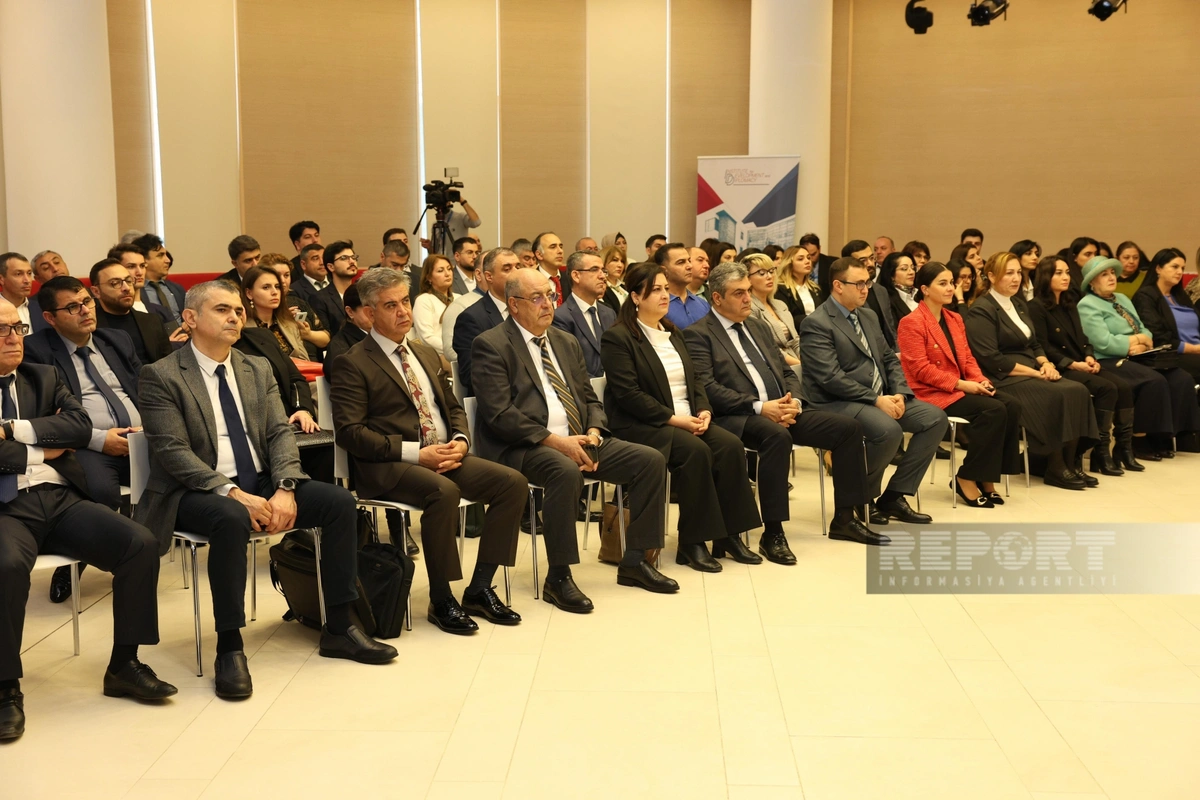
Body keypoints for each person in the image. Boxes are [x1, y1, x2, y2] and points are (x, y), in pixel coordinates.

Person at [135, 281, 397, 698]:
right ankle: (230, 646)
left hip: (259, 481)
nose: (235, 317)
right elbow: (172, 452)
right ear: (190, 318)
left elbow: (279, 433)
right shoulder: (162, 375)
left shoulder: (255, 367)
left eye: (238, 310)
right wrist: (231, 492)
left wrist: (286, 487)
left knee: (338, 502)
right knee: (230, 517)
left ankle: (340, 626)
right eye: (222, 310)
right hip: (193, 491)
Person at [0, 299, 175, 742]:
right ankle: (4, 689)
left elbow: (79, 427)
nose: (13, 338)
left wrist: (12, 430)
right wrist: (43, 447)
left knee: (139, 543)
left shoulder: (42, 375)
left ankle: (124, 665)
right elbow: (62, 436)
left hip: (60, 498)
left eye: (17, 328)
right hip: (5, 506)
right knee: (5, 567)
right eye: (1, 329)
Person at [331, 269, 526, 633]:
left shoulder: (423, 352)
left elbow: (451, 407)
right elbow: (350, 433)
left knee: (512, 483)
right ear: (370, 314)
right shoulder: (353, 361)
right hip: (390, 465)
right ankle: (442, 598)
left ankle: (480, 587)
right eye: (391, 305)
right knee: (444, 491)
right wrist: (416, 454)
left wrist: (461, 441)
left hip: (442, 455)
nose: (403, 311)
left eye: (405, 301)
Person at [472, 267, 673, 602]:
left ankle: (636, 561)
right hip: (524, 446)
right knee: (564, 472)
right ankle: (559, 576)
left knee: (649, 460)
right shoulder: (491, 344)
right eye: (536, 298)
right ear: (514, 304)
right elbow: (500, 414)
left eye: (550, 295)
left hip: (578, 439)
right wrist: (556, 442)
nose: (547, 304)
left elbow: (589, 398)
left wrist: (593, 430)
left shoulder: (564, 341)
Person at [685, 262, 877, 553]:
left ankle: (845, 519)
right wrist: (762, 408)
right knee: (777, 437)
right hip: (739, 416)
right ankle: (773, 532)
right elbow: (709, 388)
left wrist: (794, 403)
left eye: (748, 291)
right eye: (739, 293)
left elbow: (787, 372)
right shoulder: (699, 334)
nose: (748, 298)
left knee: (848, 429)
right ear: (717, 298)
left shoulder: (758, 326)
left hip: (783, 409)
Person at [799, 257, 946, 524]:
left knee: (935, 419)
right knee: (888, 431)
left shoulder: (867, 315)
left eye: (867, 282)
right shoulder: (817, 322)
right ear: (838, 285)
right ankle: (861, 497)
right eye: (858, 284)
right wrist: (877, 400)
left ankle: (894, 496)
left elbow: (889, 358)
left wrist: (899, 392)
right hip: (836, 401)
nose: (865, 289)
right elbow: (830, 377)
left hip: (880, 396)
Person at [964, 252, 1099, 490]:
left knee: (1077, 390)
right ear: (992, 276)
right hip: (1003, 376)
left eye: (1018, 273)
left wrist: (1045, 364)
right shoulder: (982, 309)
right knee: (1057, 394)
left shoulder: (1018, 304)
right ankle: (1055, 466)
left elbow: (1034, 343)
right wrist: (1036, 373)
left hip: (1030, 368)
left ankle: (1070, 462)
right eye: (1009, 273)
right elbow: (990, 358)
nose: (1016, 278)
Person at [898, 262, 1023, 507]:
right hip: (930, 392)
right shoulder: (911, 322)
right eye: (942, 283)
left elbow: (967, 358)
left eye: (951, 283)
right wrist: (963, 385)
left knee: (1012, 405)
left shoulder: (954, 318)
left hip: (958, 387)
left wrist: (980, 380)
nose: (950, 288)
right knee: (993, 410)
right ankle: (966, 476)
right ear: (925, 289)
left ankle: (986, 477)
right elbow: (921, 370)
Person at [1029, 255, 1150, 475]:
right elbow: (1043, 346)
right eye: (1059, 273)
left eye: (1067, 272)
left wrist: (1089, 356)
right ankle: (1096, 452)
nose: (1066, 277)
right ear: (1046, 277)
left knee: (1123, 387)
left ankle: (1122, 449)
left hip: (1081, 362)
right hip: (1059, 366)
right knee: (1106, 388)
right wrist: (1073, 364)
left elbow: (1084, 339)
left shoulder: (1069, 304)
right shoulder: (1036, 307)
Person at [1079, 255, 1200, 458]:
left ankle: (1167, 436)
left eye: (1112, 273)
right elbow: (1103, 342)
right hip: (1108, 359)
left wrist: (1142, 342)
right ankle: (1139, 440)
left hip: (1139, 355)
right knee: (1153, 380)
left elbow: (1146, 330)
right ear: (1092, 281)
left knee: (1180, 378)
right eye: (1104, 274)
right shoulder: (1087, 305)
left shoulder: (1122, 299)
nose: (1111, 277)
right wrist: (1134, 342)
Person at [452, 248, 519, 396]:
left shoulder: (527, 309)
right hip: (502, 398)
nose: (516, 274)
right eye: (507, 269)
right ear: (489, 276)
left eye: (518, 267)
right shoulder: (471, 319)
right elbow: (472, 375)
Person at [90, 259, 173, 365]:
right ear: (96, 291)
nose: (126, 288)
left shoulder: (152, 321)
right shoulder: (91, 327)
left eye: (129, 281)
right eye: (115, 283)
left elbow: (169, 364)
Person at [552, 250, 616, 377]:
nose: (603, 276)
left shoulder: (609, 313)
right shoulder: (560, 317)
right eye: (594, 270)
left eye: (603, 270)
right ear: (576, 276)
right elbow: (570, 367)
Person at [260, 255, 328, 357]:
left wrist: (308, 334)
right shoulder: (264, 308)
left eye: (286, 275)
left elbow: (326, 338)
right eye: (277, 275)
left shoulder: (299, 303)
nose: (283, 280)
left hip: (312, 360)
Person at [240, 266, 310, 361]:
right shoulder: (242, 328)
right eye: (266, 287)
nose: (275, 292)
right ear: (249, 293)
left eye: (277, 287)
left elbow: (305, 361)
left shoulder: (290, 324)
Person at [743, 253, 800, 365]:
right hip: (773, 365)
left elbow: (796, 341)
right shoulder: (748, 307)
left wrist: (806, 361)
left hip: (795, 361)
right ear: (748, 279)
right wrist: (799, 364)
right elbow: (767, 348)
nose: (769, 276)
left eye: (771, 271)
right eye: (762, 273)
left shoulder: (780, 305)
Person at [131, 234, 186, 327]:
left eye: (166, 255)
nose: (168, 260)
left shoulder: (177, 289)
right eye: (160, 255)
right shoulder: (134, 292)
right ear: (144, 260)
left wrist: (188, 324)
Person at [868, 252, 917, 350]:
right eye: (904, 269)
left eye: (912, 268)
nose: (911, 272)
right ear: (891, 275)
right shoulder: (886, 299)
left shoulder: (920, 294)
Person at [309, 241, 359, 336]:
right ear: (331, 267)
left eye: (353, 257)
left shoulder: (363, 293)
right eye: (344, 258)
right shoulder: (319, 299)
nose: (352, 261)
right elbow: (326, 334)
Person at [410, 254, 456, 355]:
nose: (447, 274)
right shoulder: (424, 300)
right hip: (437, 355)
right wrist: (455, 350)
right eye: (440, 271)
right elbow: (426, 338)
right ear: (429, 277)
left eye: (449, 269)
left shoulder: (459, 298)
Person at [658, 243, 709, 329]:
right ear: (664, 270)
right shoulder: (658, 305)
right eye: (681, 262)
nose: (690, 266)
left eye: (689, 261)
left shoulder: (703, 304)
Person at [775, 245, 821, 328]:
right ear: (789, 263)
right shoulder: (780, 288)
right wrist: (813, 321)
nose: (807, 261)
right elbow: (787, 318)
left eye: (808, 258)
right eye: (800, 259)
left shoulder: (814, 288)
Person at [0, 254, 46, 334]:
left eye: (29, 273)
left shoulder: (43, 309)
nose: (27, 280)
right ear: (1, 279)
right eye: (18, 274)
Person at [532, 232, 566, 304]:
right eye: (553, 247)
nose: (560, 251)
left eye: (561, 247)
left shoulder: (570, 279)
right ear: (539, 254)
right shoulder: (531, 281)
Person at [599, 245, 627, 313]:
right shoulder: (600, 288)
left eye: (622, 261)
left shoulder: (624, 286)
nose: (620, 265)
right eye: (615, 260)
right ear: (603, 262)